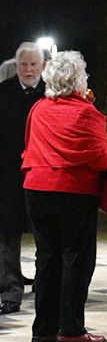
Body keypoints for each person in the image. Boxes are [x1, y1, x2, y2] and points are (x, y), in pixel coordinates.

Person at [20, 49, 107, 342]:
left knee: (47, 257)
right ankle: (71, 329)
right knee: (77, 258)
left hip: (36, 187)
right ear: (79, 80)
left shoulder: (39, 108)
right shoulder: (87, 112)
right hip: (73, 191)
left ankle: (44, 329)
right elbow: (101, 159)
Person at [0, 41, 46, 312]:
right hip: (8, 176)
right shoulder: (3, 93)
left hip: (42, 173)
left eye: (33, 64)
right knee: (8, 232)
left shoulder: (51, 94)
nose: (28, 69)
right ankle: (10, 289)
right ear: (16, 66)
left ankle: (44, 284)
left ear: (42, 66)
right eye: (24, 64)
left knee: (45, 232)